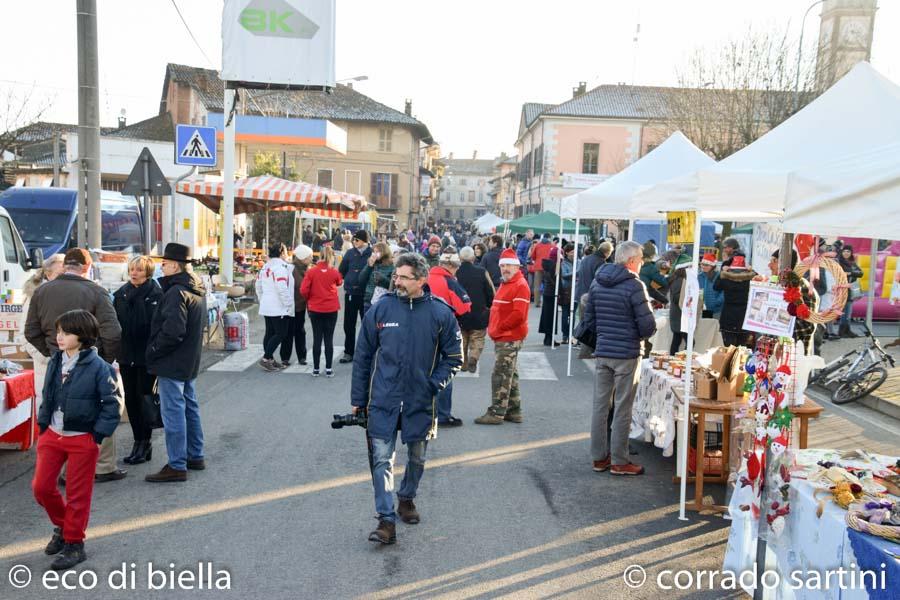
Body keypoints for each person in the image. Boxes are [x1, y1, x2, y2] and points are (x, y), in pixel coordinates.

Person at [351, 252, 463, 545]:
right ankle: (386, 520)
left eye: (403, 277)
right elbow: (363, 356)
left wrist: (433, 384)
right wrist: (358, 398)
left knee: (417, 458)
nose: (396, 281)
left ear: (421, 280)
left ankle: (406, 497)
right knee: (381, 460)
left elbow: (454, 357)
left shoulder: (441, 313)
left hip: (420, 400)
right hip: (384, 399)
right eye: (395, 276)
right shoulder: (381, 309)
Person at [25, 248, 125, 483]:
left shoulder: (42, 292)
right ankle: (103, 467)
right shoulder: (96, 291)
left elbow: (31, 331)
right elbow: (113, 331)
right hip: (89, 360)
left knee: (59, 410)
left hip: (57, 361)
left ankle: (62, 469)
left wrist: (53, 353)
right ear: (87, 267)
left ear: (65, 266)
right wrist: (104, 360)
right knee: (100, 407)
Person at [33, 310, 122, 570]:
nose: (59, 337)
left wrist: (95, 437)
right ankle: (63, 526)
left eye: (66, 332)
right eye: (58, 331)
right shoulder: (55, 361)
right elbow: (48, 395)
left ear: (82, 337)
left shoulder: (99, 367)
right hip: (52, 434)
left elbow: (111, 404)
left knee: (77, 494)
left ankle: (74, 543)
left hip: (82, 438)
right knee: (41, 488)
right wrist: (43, 425)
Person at [582, 241, 656, 476]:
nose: (642, 263)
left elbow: (589, 320)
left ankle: (599, 457)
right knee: (623, 408)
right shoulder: (635, 285)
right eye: (641, 259)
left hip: (603, 351)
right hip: (626, 353)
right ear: (632, 261)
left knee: (600, 406)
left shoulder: (597, 281)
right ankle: (620, 460)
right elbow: (647, 326)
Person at [144, 243, 207, 483]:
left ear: (173, 265)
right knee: (189, 406)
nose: (161, 267)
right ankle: (195, 454)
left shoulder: (176, 292)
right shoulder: (195, 286)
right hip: (188, 358)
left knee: (173, 411)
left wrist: (153, 350)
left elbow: (173, 331)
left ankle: (177, 463)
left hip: (173, 360)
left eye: (164, 264)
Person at [113, 255, 163, 465]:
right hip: (126, 355)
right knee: (131, 401)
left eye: (139, 270)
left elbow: (159, 326)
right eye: (132, 269)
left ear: (148, 273)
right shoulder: (121, 294)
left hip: (147, 356)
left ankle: (146, 442)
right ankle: (137, 441)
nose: (134, 273)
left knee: (145, 399)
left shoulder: (156, 294)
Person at [474, 248, 531, 424]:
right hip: (505, 336)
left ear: (516, 267)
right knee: (510, 374)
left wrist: (499, 329)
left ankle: (496, 412)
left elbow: (518, 315)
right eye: (503, 265)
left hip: (509, 337)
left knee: (500, 375)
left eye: (508, 265)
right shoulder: (508, 283)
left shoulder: (520, 285)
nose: (505, 268)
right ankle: (514, 411)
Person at [427, 247, 471, 427]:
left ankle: (425, 412)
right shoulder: (450, 282)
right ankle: (443, 415)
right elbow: (464, 307)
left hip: (422, 330)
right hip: (444, 331)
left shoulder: (425, 278)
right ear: (453, 266)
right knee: (445, 371)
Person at [20, 253, 66, 409]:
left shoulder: (69, 293)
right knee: (46, 409)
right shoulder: (35, 295)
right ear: (48, 274)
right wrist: (46, 357)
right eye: (60, 274)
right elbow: (25, 334)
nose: (64, 278)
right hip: (46, 364)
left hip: (67, 363)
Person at [302, 245, 343, 377]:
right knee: (329, 338)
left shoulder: (311, 271)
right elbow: (339, 282)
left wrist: (310, 299)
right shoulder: (334, 271)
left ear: (319, 255)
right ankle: (329, 369)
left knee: (317, 338)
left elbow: (303, 290)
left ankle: (316, 369)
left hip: (315, 308)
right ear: (332, 257)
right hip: (331, 308)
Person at [257, 243, 295, 372]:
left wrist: (262, 298)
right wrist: (288, 303)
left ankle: (270, 359)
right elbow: (281, 287)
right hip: (278, 305)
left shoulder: (265, 267)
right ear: (282, 253)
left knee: (270, 332)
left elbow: (258, 285)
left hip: (267, 304)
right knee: (281, 333)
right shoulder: (280, 268)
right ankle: (266, 358)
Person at [456, 247, 494, 373]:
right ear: (473, 258)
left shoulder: (455, 273)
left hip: (460, 313)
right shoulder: (482, 271)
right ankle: (474, 357)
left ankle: (464, 363)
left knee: (462, 337)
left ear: (460, 258)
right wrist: (489, 306)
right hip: (479, 312)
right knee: (478, 337)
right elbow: (490, 292)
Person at [338, 230, 372, 364]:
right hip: (351, 293)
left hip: (366, 295)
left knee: (367, 325)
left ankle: (366, 353)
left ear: (364, 240)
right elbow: (341, 270)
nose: (354, 242)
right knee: (349, 325)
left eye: (357, 240)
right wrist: (349, 279)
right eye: (353, 240)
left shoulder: (372, 253)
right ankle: (348, 352)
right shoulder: (350, 253)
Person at [714, 253, 757, 347]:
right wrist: (751, 270)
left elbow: (715, 287)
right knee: (742, 350)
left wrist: (723, 271)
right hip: (744, 317)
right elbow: (759, 279)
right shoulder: (748, 279)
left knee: (728, 348)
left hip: (727, 317)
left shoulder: (726, 278)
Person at [280, 244, 313, 367]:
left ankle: (302, 357)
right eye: (309, 256)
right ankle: (285, 357)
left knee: (300, 331)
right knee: (288, 332)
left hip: (301, 306)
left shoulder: (307, 269)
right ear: (302, 258)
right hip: (290, 305)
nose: (311, 258)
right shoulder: (291, 269)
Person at [359, 241, 395, 313]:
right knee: (367, 323)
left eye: (377, 252)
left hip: (382, 301)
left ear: (384, 252)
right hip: (369, 300)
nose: (374, 254)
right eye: (374, 251)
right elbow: (361, 280)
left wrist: (382, 279)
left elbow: (392, 286)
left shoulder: (391, 266)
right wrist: (369, 266)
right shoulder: (371, 263)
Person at [837, 245, 864, 338]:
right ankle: (842, 331)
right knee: (845, 312)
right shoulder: (839, 262)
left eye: (848, 251)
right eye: (844, 251)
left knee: (848, 312)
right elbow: (838, 274)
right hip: (842, 290)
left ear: (851, 253)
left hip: (851, 290)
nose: (846, 253)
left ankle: (847, 330)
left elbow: (861, 273)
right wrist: (848, 274)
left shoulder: (852, 263)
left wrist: (850, 273)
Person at [667, 254, 691, 354]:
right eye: (690, 267)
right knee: (690, 342)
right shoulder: (680, 280)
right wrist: (689, 299)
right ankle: (683, 361)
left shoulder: (678, 279)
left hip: (677, 315)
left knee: (676, 340)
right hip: (679, 316)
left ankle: (673, 361)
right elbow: (676, 298)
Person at [538, 247, 559, 346]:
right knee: (551, 317)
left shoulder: (547, 264)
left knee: (547, 317)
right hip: (552, 293)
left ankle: (548, 338)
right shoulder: (554, 266)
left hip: (547, 293)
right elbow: (556, 280)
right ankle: (549, 339)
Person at [558, 243, 576, 344]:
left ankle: (570, 335)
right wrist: (576, 273)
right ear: (567, 253)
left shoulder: (579, 261)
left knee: (572, 314)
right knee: (565, 313)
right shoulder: (564, 263)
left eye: (575, 252)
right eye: (572, 252)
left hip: (576, 289)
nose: (574, 254)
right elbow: (564, 275)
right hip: (566, 290)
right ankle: (565, 335)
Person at [531, 234, 554, 308]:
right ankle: (547, 302)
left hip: (538, 266)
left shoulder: (537, 245)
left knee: (537, 285)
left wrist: (537, 260)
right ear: (549, 238)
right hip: (548, 267)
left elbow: (532, 256)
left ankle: (537, 302)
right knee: (548, 284)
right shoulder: (551, 246)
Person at [698, 253, 723, 319]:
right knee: (706, 327)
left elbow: (724, 291)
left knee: (715, 327)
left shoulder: (719, 276)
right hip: (703, 308)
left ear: (712, 266)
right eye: (702, 264)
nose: (703, 267)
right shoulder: (699, 276)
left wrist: (717, 302)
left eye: (706, 265)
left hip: (716, 309)